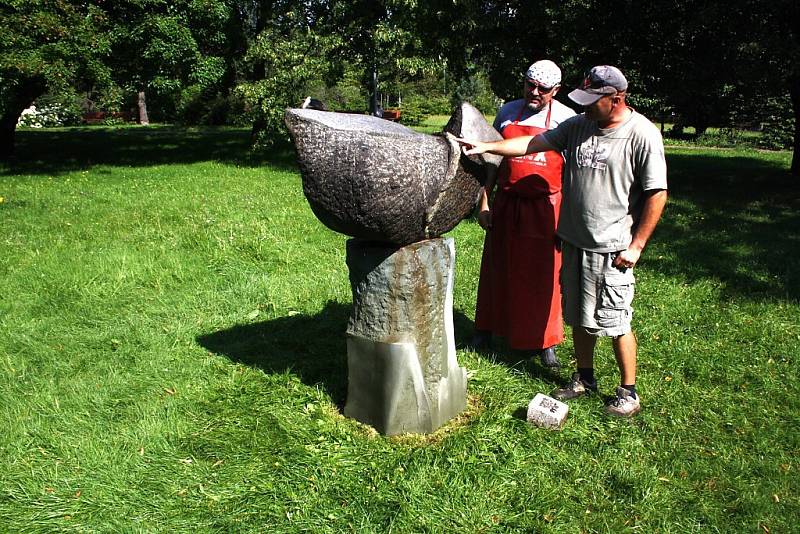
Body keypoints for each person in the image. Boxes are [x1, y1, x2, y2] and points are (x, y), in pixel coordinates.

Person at [460, 65, 668, 417]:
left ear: (616, 99)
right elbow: (530, 143)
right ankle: (584, 379)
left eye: (593, 101)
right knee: (579, 316)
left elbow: (657, 193)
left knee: (616, 321)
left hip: (612, 246)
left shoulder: (641, 134)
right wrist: (486, 144)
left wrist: (636, 246)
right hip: (574, 239)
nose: (585, 107)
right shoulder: (580, 125)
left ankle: (628, 391)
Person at [472, 59, 576, 368]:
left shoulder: (566, 119)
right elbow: (493, 159)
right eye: (530, 84)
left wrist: (567, 217)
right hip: (507, 204)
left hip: (546, 208)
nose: (534, 92)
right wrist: (485, 201)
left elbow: (573, 172)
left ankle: (545, 342)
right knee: (497, 268)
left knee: (544, 276)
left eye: (543, 89)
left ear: (555, 90)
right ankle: (486, 329)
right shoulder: (507, 112)